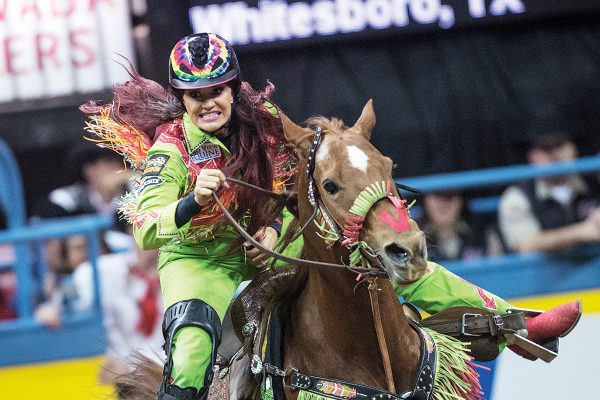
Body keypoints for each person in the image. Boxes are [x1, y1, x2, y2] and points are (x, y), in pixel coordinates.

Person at [81, 33, 581, 400]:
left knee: (377, 253)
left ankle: (519, 323)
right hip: (200, 260)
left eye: (217, 90)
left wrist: (274, 231)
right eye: (195, 95)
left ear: (234, 89)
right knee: (190, 353)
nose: (208, 102)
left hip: (274, 244)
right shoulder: (169, 152)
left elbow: (294, 193)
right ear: (183, 99)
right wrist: (192, 202)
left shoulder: (269, 127)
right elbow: (144, 228)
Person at [498, 132, 600, 253]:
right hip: (546, 271)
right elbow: (524, 244)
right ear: (532, 155)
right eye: (545, 149)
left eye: (560, 145)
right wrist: (581, 232)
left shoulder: (593, 182)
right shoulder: (517, 195)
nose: (554, 154)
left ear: (573, 148)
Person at [418, 191, 503, 261]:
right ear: (425, 201)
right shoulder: (415, 240)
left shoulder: (482, 231)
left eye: (449, 196)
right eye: (436, 196)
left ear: (460, 200)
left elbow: (499, 267)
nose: (443, 204)